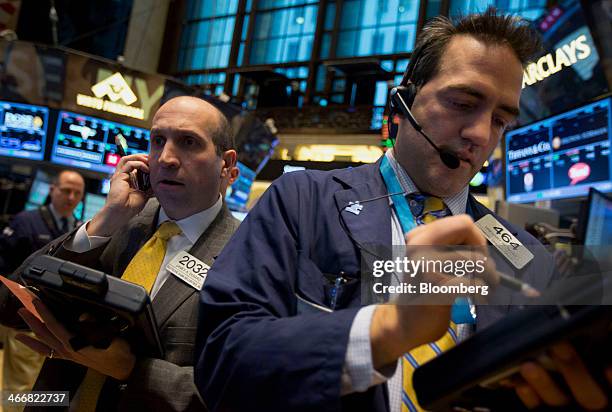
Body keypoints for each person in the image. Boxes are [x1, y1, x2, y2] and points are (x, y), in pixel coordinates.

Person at [194, 8, 610, 412]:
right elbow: (222, 361)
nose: (481, 135)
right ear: (404, 99)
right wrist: (387, 331)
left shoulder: (526, 255)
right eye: (464, 103)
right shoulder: (301, 200)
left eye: (501, 120)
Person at [0, 95, 239, 411]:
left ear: (226, 164)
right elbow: (8, 307)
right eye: (158, 140)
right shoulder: (118, 222)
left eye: (188, 142)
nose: (166, 158)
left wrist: (131, 370)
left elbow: (236, 391)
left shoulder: (244, 254)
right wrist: (104, 221)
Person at [0, 169, 84, 398]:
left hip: (61, 325)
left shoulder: (80, 228)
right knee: (19, 386)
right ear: (52, 190)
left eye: (77, 193)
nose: (71, 198)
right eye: (66, 191)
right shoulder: (26, 221)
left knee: (47, 387)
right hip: (24, 317)